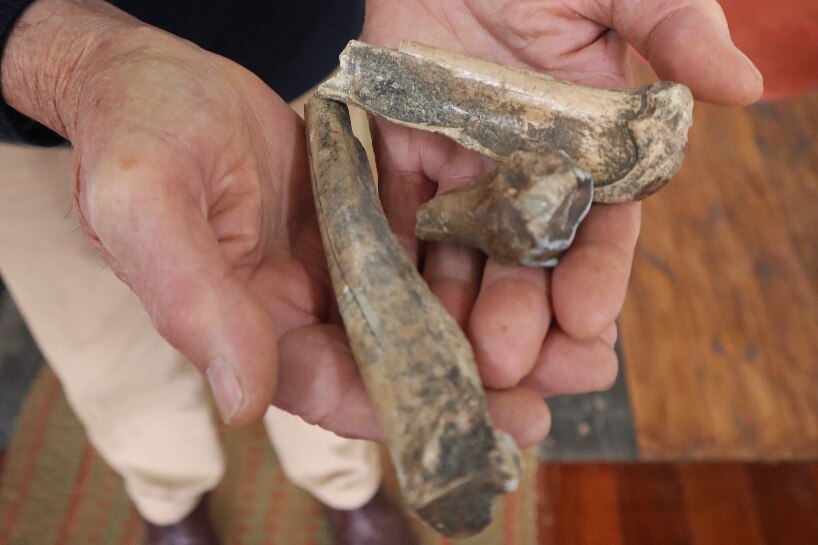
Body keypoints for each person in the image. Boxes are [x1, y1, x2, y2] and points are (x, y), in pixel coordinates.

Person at [0, 0, 763, 544]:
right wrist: (61, 55)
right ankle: (164, 491)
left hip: (348, 35)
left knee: (305, 323)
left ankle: (346, 484)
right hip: (41, 100)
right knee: (108, 352)